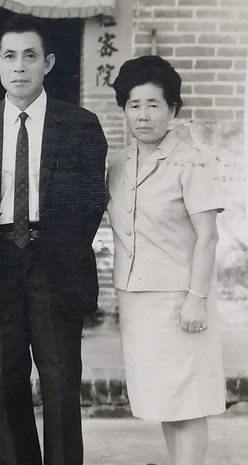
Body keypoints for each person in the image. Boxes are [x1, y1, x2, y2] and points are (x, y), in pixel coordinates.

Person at [0, 14, 108, 465]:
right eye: (10, 57)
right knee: (6, 385)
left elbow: (90, 202)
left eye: (30, 56)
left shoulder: (79, 124)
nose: (19, 66)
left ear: (48, 63)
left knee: (60, 383)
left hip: (55, 264)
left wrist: (56, 251)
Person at [107, 55, 226, 465]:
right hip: (136, 301)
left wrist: (197, 298)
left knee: (188, 401)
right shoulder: (117, 164)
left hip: (180, 299)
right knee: (163, 399)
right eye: (134, 105)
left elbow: (208, 236)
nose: (143, 115)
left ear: (172, 110)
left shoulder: (192, 161)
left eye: (153, 105)